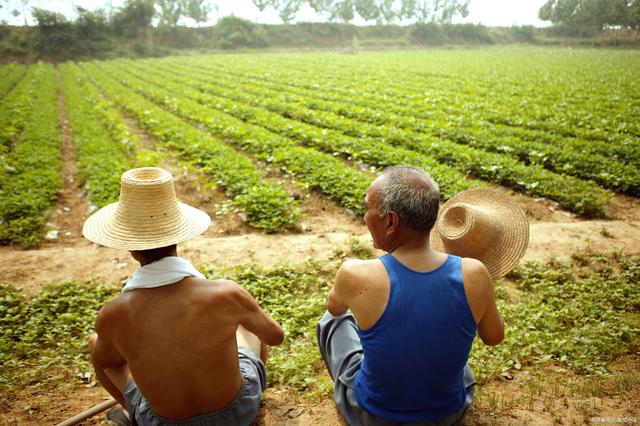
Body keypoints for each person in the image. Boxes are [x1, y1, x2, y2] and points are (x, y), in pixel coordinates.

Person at [317, 166, 529, 425]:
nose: (364, 217)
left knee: (332, 320)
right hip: (447, 415)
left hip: (373, 416)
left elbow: (335, 307)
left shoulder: (355, 274)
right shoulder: (475, 273)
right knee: (453, 353)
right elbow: (494, 337)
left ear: (391, 222)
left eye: (367, 209)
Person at [83, 167, 284, 426]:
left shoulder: (114, 314)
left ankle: (133, 415)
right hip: (237, 414)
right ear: (178, 236)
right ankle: (254, 405)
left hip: (164, 423)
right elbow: (275, 336)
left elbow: (107, 362)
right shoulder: (226, 294)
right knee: (246, 323)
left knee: (95, 342)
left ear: (132, 249)